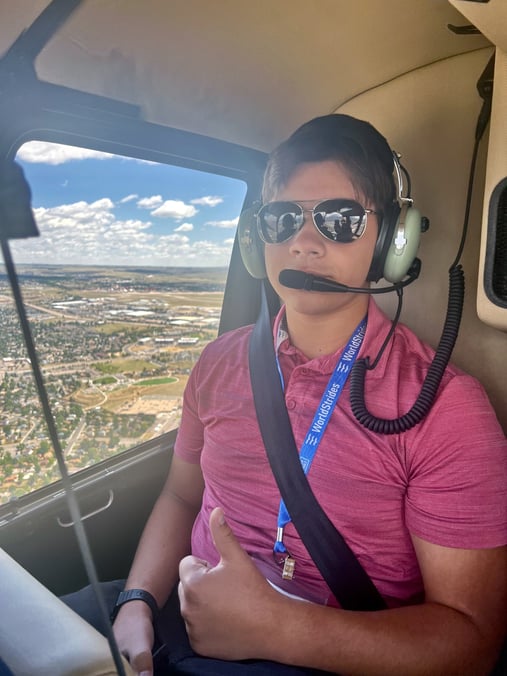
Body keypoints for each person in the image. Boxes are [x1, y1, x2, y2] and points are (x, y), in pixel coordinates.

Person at [64, 114, 507, 675]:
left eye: (340, 220)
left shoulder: (444, 407)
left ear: (391, 243)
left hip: (327, 655)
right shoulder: (217, 363)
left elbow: (471, 643)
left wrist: (279, 629)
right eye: (282, 219)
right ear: (258, 239)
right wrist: (136, 603)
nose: (303, 242)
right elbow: (180, 495)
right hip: (176, 614)